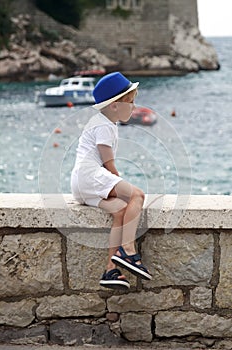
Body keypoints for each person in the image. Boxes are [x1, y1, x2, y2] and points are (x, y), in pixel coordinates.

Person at [71, 72, 152, 290]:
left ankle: (110, 270)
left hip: (80, 184)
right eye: (130, 101)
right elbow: (105, 155)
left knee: (120, 210)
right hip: (90, 176)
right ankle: (128, 250)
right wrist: (116, 177)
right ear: (115, 105)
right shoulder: (105, 124)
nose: (134, 107)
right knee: (137, 195)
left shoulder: (101, 121)